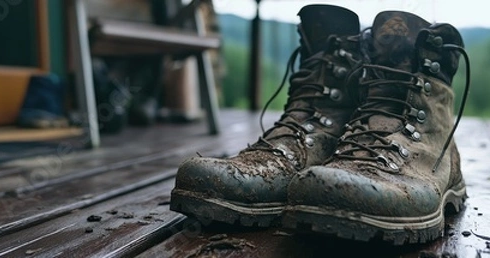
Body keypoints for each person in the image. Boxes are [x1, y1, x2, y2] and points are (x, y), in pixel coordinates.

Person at [170, 4, 470, 245]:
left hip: (426, 150)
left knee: (322, 183)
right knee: (318, 185)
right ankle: (313, 133)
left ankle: (443, 164)